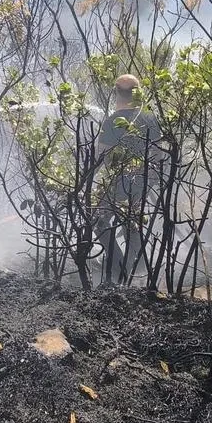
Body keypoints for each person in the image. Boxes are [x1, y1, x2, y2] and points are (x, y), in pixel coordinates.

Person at [94, 73, 163, 284]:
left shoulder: (112, 121)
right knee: (131, 222)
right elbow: (159, 155)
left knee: (98, 221)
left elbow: (102, 157)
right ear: (138, 93)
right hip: (143, 182)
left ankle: (117, 268)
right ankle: (139, 268)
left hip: (119, 183)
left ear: (117, 93)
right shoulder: (151, 118)